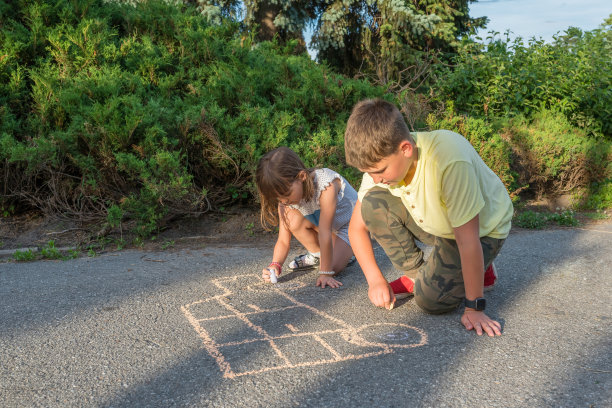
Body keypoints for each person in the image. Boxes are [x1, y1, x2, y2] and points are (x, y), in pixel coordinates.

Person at [344, 99, 513, 336]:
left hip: (481, 231)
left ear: (405, 149)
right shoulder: (380, 157)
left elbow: (467, 239)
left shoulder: (448, 159)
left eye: (379, 171)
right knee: (373, 202)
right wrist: (375, 280)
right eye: (368, 173)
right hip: (436, 221)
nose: (375, 179)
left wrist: (475, 307)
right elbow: (356, 229)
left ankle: (478, 268)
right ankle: (421, 276)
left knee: (429, 301)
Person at [256, 147, 358, 288]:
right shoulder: (285, 200)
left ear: (302, 177)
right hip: (330, 228)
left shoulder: (326, 184)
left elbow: (325, 232)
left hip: (352, 226)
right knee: (290, 217)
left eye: (285, 194)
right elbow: (283, 240)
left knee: (332, 267)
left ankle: (348, 253)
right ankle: (317, 255)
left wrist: (326, 273)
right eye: (278, 198)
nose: (283, 201)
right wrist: (275, 265)